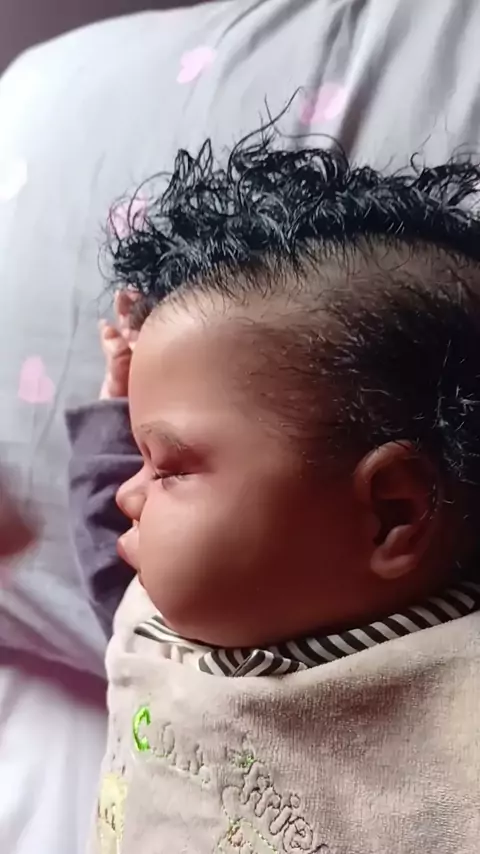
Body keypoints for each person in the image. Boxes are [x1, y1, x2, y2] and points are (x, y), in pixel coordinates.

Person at [73, 130, 480, 854]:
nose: (129, 496)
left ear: (391, 513)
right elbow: (111, 559)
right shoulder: (168, 626)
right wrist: (119, 408)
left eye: (167, 467)